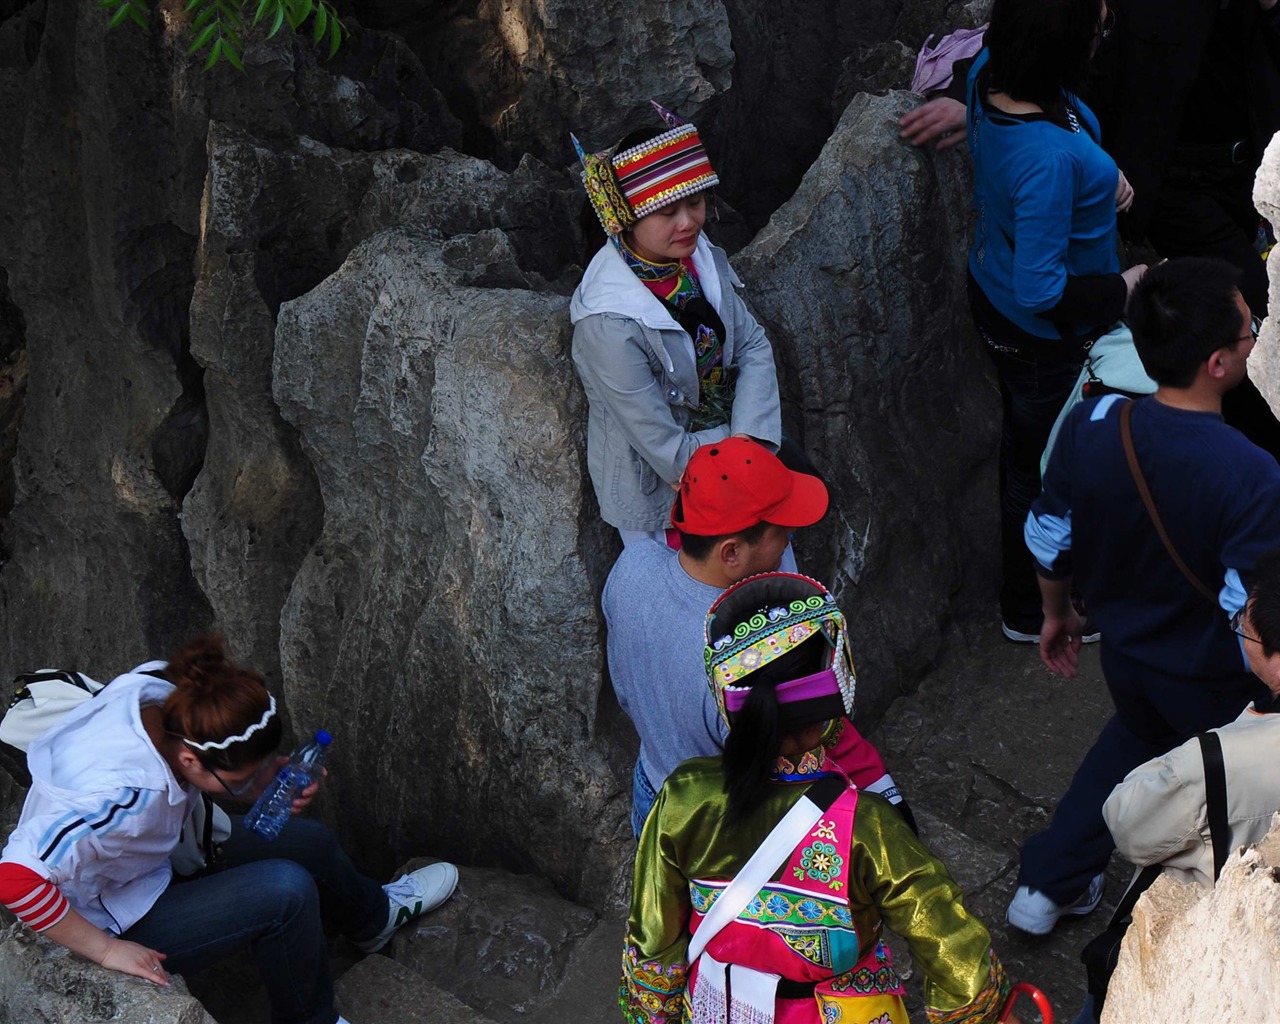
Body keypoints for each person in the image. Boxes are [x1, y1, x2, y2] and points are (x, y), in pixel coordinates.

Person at [1010, 257, 1280, 935]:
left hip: (1128, 654)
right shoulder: (1250, 472)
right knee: (1209, 786)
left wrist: (1055, 613)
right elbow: (1242, 603)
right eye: (1250, 331)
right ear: (1218, 362)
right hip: (1213, 675)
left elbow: (1048, 538)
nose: (1256, 337)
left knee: (1134, 737)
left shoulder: (1095, 422)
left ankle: (1047, 885)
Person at [0, 636, 458, 1024]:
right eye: (240, 778)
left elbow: (216, 769)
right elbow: (15, 878)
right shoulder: (119, 795)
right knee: (287, 890)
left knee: (311, 843)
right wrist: (104, 952)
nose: (257, 784)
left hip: (156, 854)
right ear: (190, 762)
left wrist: (258, 779)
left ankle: (373, 919)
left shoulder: (168, 693)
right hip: (113, 911)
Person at [621, 572, 1013, 1024]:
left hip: (717, 1006)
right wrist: (986, 1009)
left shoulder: (684, 796)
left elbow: (653, 937)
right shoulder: (866, 825)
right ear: (833, 692)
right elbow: (944, 935)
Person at [603, 436, 908, 837]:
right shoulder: (748, 659)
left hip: (652, 789)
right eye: (782, 533)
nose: (789, 542)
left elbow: (626, 693)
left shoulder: (631, 565)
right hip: (722, 829)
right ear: (731, 553)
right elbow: (784, 773)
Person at [961, 0, 1147, 643]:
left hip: (992, 286)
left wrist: (1103, 172)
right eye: (1100, 27)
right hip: (1043, 336)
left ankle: (1038, 592)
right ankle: (1034, 607)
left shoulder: (990, 71)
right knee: (1045, 467)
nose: (1104, 34)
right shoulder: (1045, 162)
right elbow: (1042, 290)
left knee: (1027, 453)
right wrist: (1120, 289)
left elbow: (1063, 135)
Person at [1058, 549, 1280, 1024]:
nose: (1240, 628)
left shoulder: (1216, 760)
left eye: (1247, 627)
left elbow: (1128, 823)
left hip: (1204, 949)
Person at [569, 102, 782, 546]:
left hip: (741, 455)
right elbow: (661, 444)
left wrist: (750, 440)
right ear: (624, 216)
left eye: (695, 202)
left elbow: (753, 344)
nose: (688, 222)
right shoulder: (608, 321)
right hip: (663, 497)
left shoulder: (698, 261)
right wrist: (745, 449)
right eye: (667, 212)